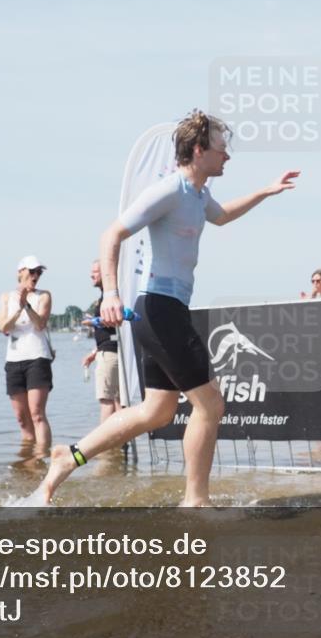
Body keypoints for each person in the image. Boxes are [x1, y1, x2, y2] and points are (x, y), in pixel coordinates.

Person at [40, 110, 299, 506]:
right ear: (198, 150)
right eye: (221, 149)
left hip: (168, 310)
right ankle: (195, 501)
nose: (226, 156)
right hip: (159, 309)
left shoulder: (199, 195)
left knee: (157, 411)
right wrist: (110, 294)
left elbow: (223, 216)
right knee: (210, 403)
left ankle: (67, 457)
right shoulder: (170, 190)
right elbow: (112, 233)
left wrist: (266, 191)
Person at [0, 255, 54, 456]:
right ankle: (27, 460)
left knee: (37, 414)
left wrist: (28, 306)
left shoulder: (44, 296)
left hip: (37, 357)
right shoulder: (6, 297)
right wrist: (19, 307)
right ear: (20, 272)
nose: (36, 275)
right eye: (32, 271)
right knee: (22, 418)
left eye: (39, 272)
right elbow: (3, 326)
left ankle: (41, 458)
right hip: (13, 360)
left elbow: (40, 324)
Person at [82, 259, 123, 430]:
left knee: (107, 401)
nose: (92, 275)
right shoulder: (110, 296)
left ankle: (106, 450)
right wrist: (95, 352)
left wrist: (93, 322)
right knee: (119, 401)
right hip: (113, 351)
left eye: (96, 272)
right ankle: (121, 445)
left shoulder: (111, 296)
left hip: (110, 354)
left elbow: (114, 321)